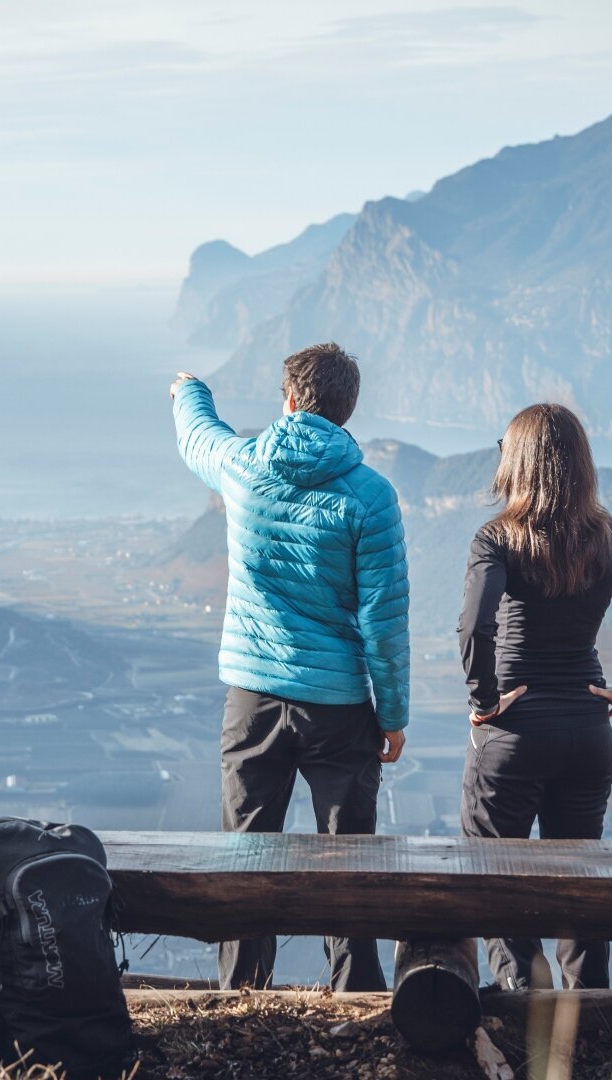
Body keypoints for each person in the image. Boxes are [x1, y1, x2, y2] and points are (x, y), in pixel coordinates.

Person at [169, 343, 409, 993]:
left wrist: (189, 389)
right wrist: (393, 716)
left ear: (292, 399)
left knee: (246, 856)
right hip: (339, 705)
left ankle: (242, 994)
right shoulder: (371, 496)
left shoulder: (245, 467)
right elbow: (383, 621)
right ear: (346, 408)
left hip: (252, 700)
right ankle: (356, 992)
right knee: (347, 858)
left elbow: (200, 437)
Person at [457, 402, 612, 991]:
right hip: (589, 736)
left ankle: (524, 1013)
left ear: (516, 462)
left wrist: (484, 700)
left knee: (496, 879)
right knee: (580, 884)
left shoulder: (497, 539)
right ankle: (589, 1023)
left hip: (513, 739)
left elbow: (475, 627)